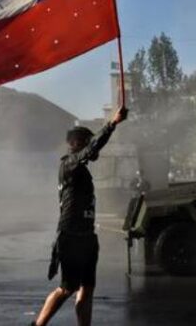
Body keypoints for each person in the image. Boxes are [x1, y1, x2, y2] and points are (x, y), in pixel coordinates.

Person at [31, 107, 127, 326]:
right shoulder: (69, 163)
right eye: (86, 142)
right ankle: (37, 325)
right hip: (71, 237)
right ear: (75, 144)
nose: (92, 148)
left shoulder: (82, 171)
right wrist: (112, 123)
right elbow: (91, 149)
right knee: (67, 288)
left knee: (87, 288)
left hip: (86, 237)